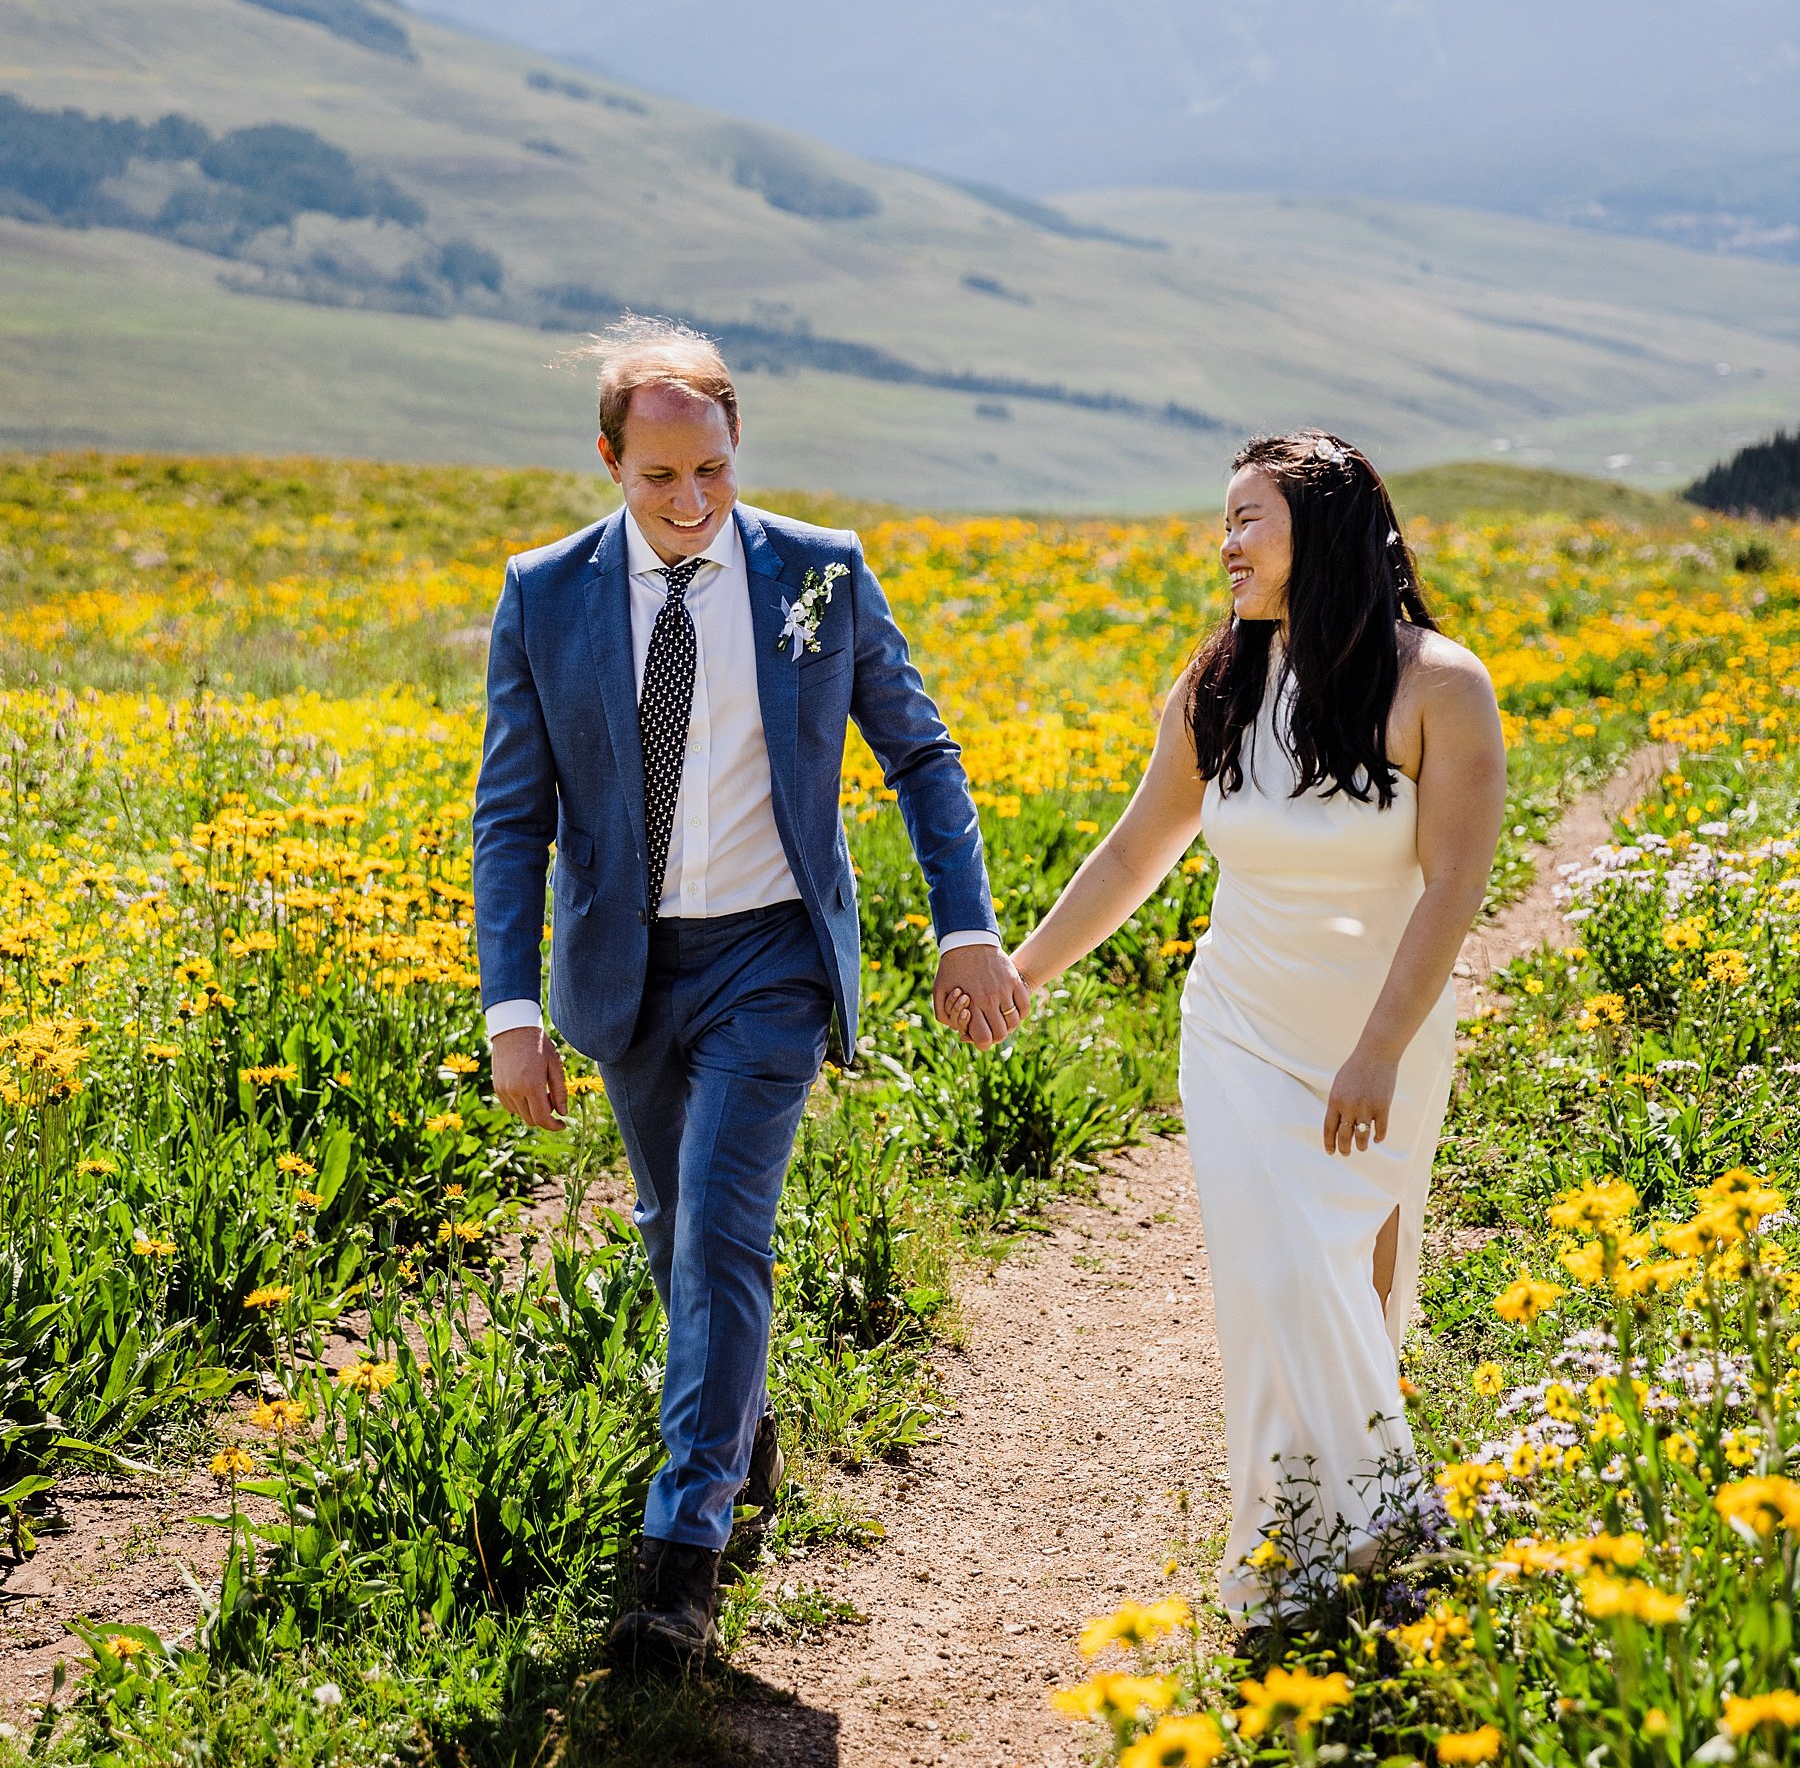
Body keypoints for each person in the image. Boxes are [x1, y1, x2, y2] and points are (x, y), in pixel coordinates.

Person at [472, 318, 1029, 1667]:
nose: (691, 501)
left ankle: (681, 1554)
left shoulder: (818, 577)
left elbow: (922, 750)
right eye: (659, 476)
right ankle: (739, 1428)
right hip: (626, 969)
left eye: (711, 469)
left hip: (770, 958)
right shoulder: (544, 593)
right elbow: (511, 815)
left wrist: (968, 926)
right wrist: (511, 1012)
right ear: (609, 459)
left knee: (723, 1225)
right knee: (672, 1232)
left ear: (736, 451)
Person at [959, 432, 1506, 1613]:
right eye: (1225, 521)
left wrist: (1375, 1050)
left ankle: (1336, 1540)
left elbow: (1454, 886)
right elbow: (1134, 850)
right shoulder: (1218, 682)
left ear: (1324, 526)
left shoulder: (1441, 684)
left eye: (1249, 519)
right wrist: (1024, 970)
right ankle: (1366, 1534)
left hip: (1384, 1032)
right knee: (1278, 1267)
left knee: (1351, 1285)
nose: (1227, 545)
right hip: (1239, 1028)